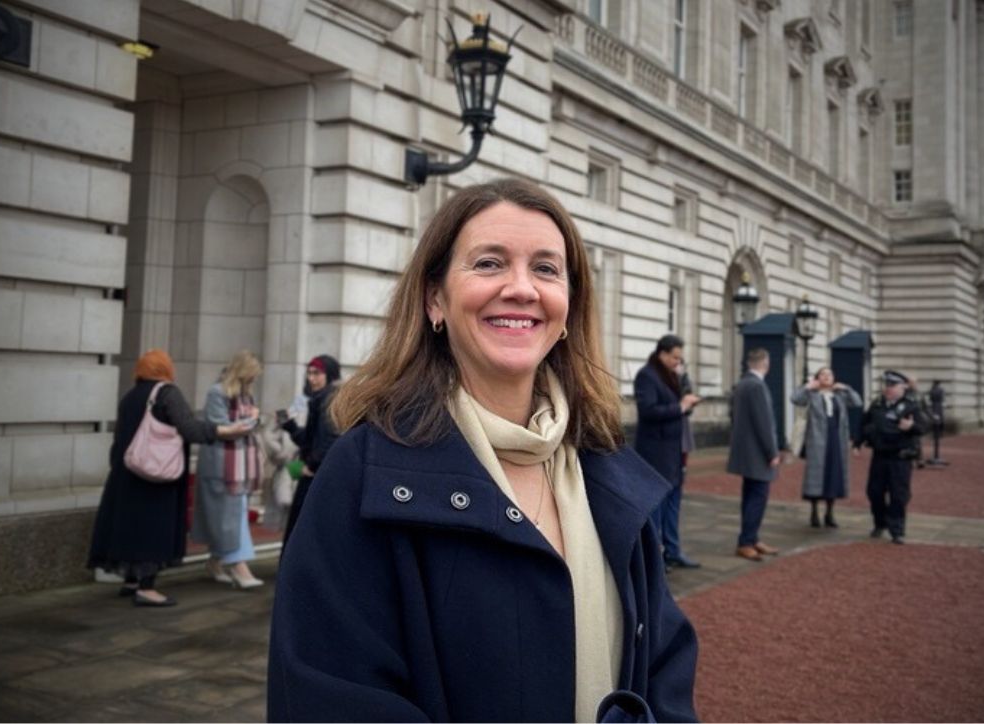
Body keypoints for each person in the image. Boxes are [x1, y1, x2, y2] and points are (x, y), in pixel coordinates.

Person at [268, 179, 698, 722]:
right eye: (490, 263)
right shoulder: (362, 474)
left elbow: (664, 664)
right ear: (434, 300)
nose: (522, 288)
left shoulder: (607, 468)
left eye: (545, 268)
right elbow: (329, 694)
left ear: (567, 308)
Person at [87, 349, 254, 607]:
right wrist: (225, 430)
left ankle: (131, 580)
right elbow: (188, 427)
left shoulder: (132, 396)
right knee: (153, 528)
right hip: (156, 475)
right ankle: (146, 588)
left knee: (131, 527)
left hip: (127, 473)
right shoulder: (167, 393)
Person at [193, 350, 264, 588]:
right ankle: (238, 567)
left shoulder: (244, 394)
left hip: (240, 464)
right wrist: (251, 420)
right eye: (250, 376)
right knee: (228, 517)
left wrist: (254, 418)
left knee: (232, 515)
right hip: (222, 465)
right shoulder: (218, 392)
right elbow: (218, 427)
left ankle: (215, 562)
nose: (252, 382)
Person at [634, 335, 701, 570]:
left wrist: (686, 394)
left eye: (680, 358)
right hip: (656, 451)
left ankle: (673, 550)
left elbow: (683, 409)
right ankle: (655, 556)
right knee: (657, 506)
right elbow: (648, 411)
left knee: (674, 504)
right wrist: (680, 406)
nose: (677, 362)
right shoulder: (647, 376)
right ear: (662, 353)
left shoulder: (674, 376)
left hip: (674, 449)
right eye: (674, 357)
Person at [279, 355, 341, 548]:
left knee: (304, 529)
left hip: (317, 475)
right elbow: (310, 440)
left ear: (328, 375)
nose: (311, 378)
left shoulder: (330, 399)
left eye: (317, 373)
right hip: (315, 471)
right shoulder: (318, 398)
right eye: (309, 373)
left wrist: (311, 464)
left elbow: (330, 439)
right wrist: (290, 426)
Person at [727, 347, 782, 562]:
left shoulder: (741, 383)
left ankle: (751, 537)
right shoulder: (757, 386)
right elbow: (764, 423)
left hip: (745, 450)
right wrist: (772, 451)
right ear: (765, 364)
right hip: (758, 452)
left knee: (750, 496)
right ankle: (747, 541)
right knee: (757, 498)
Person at [790, 367, 863, 528]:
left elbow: (858, 402)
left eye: (829, 374)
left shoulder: (840, 395)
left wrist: (846, 388)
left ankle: (830, 512)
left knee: (834, 475)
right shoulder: (812, 395)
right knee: (817, 476)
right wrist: (807, 386)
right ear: (817, 378)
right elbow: (795, 399)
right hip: (817, 441)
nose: (826, 377)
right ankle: (814, 511)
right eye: (822, 374)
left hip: (836, 440)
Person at [860, 370, 924, 544]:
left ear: (902, 387)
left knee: (898, 495)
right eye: (886, 385)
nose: (888, 389)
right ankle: (880, 523)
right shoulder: (877, 404)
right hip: (880, 456)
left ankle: (897, 529)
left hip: (900, 458)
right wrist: (858, 442)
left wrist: (911, 426)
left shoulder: (911, 406)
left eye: (892, 385)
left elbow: (924, 426)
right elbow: (864, 423)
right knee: (874, 492)